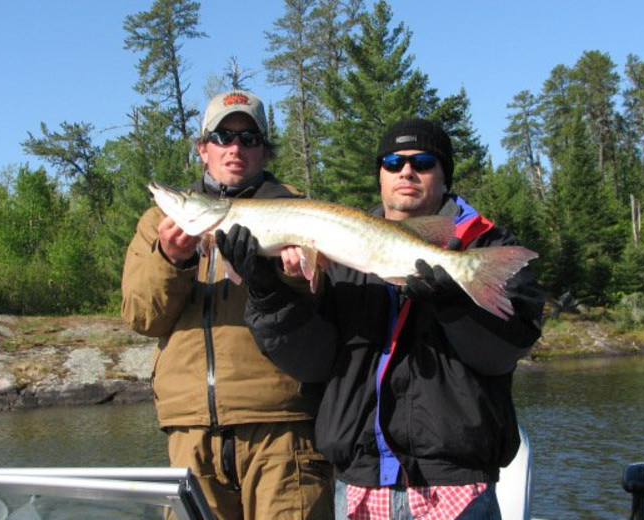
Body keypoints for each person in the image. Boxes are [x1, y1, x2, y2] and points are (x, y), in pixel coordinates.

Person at [215, 118, 544, 519]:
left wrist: (452, 305)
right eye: (392, 162)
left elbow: (502, 354)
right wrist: (267, 290)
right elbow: (313, 364)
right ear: (381, 175)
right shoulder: (340, 254)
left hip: (456, 488)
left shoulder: (488, 246)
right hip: (360, 489)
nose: (406, 171)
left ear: (444, 176)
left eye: (423, 162)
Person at [121, 89, 333, 520]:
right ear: (203, 149)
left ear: (264, 150)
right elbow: (142, 316)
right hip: (190, 432)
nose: (235, 148)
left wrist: (293, 274)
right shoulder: (158, 224)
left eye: (249, 138)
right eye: (222, 137)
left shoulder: (297, 210)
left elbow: (330, 310)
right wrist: (171, 259)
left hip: (281, 430)